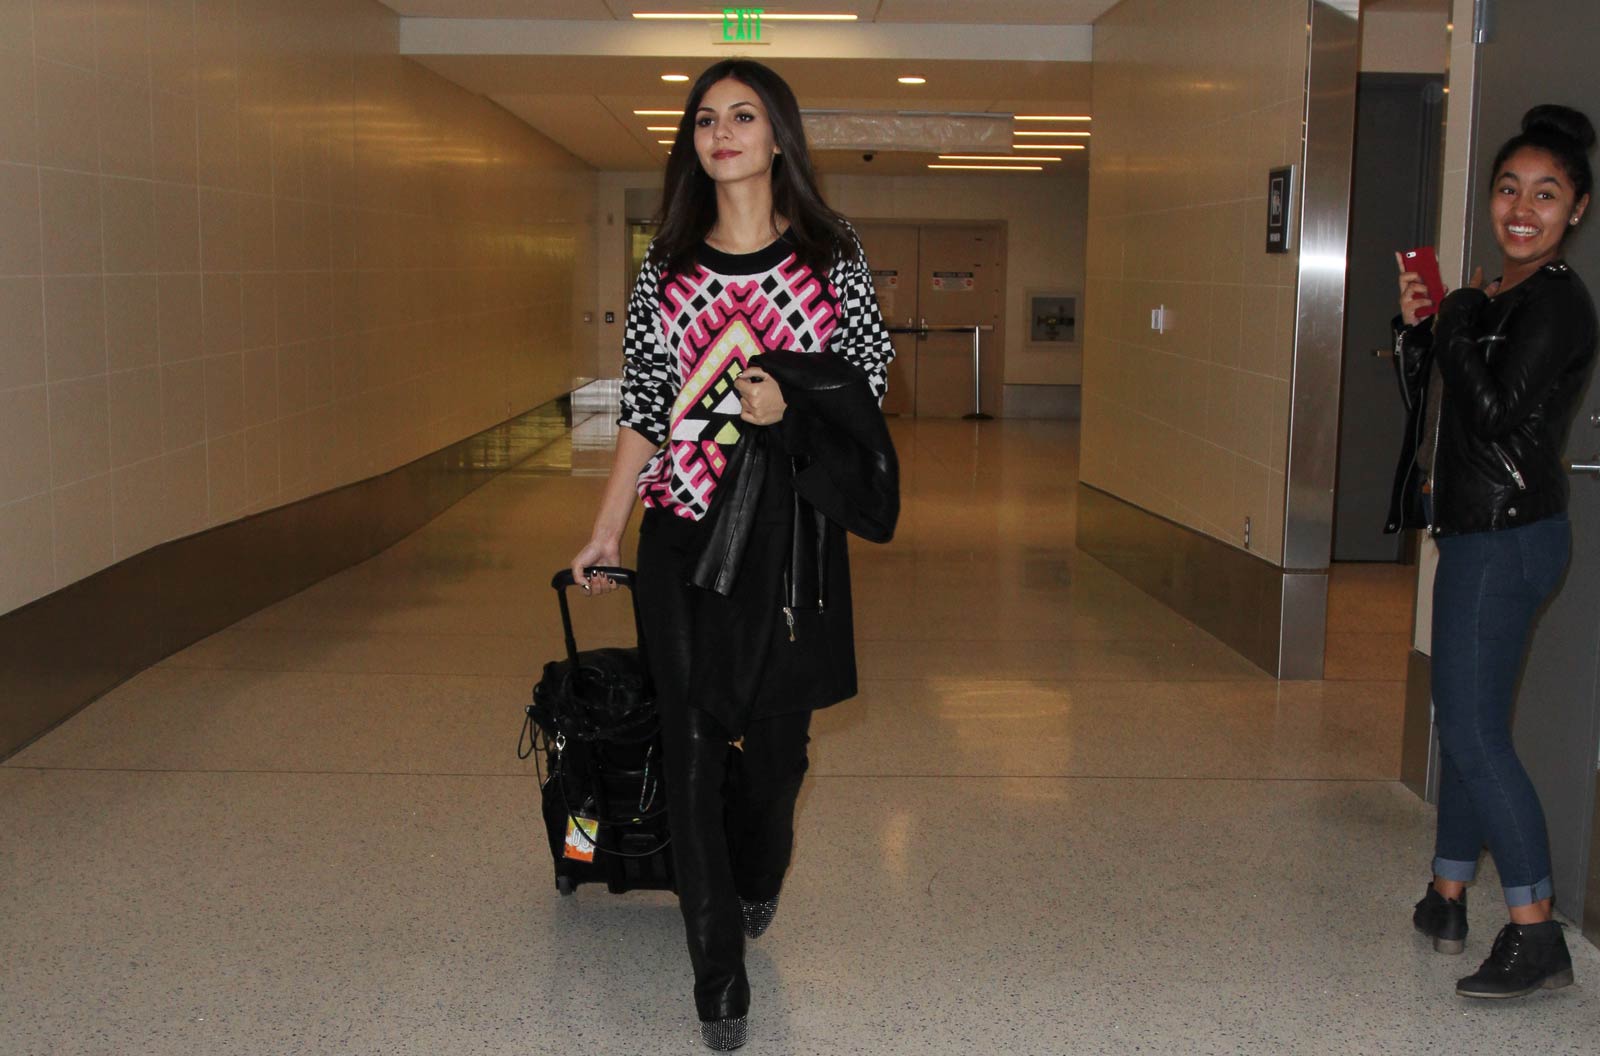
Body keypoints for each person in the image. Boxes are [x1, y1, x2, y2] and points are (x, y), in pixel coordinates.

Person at [569, 59, 897, 1050]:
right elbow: (639, 406)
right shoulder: (664, 268)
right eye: (705, 118)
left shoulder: (831, 258)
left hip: (788, 540)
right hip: (681, 530)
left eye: (742, 115)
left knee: (779, 756)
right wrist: (606, 524)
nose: (720, 132)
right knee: (693, 741)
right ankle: (716, 969)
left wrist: (786, 402)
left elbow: (864, 391)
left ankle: (759, 875)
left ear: (778, 134)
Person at [1388, 104, 1597, 999]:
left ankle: (1535, 932)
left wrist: (1461, 317)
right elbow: (1437, 406)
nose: (1523, 207)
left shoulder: (1553, 300)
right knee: (1471, 725)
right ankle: (1446, 893)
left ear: (1576, 210)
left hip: (1506, 539)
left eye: (1546, 194)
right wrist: (1421, 331)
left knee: (1471, 730)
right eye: (1509, 188)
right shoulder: (1500, 298)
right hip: (1482, 532)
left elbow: (1497, 415)